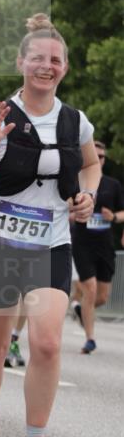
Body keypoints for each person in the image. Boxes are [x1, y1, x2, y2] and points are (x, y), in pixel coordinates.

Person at [0, 14, 100, 437]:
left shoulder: (75, 121)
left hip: (51, 243)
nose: (47, 66)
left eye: (55, 60)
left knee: (48, 344)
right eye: (38, 58)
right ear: (21, 62)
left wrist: (87, 195)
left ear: (65, 68)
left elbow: (91, 166)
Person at [70, 140, 124, 353]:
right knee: (90, 291)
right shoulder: (76, 182)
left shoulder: (113, 185)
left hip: (105, 244)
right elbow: (63, 209)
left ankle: (79, 305)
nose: (98, 160)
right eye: (94, 156)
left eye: (101, 157)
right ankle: (90, 339)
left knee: (100, 297)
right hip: (82, 242)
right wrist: (74, 214)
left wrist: (114, 218)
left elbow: (122, 212)